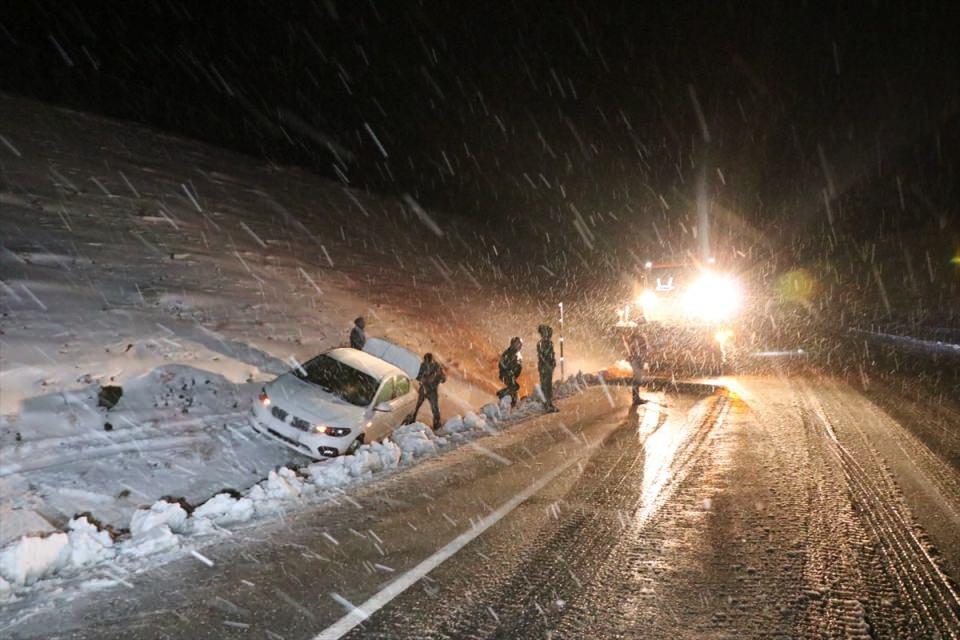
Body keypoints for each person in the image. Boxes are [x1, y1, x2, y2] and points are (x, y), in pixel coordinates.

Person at [406, 353, 446, 430]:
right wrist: (422, 378)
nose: (427, 363)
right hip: (423, 389)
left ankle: (437, 425)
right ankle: (410, 421)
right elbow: (418, 376)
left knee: (435, 409)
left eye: (428, 362)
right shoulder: (423, 365)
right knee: (416, 406)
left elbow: (444, 379)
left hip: (432, 391)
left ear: (432, 360)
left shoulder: (437, 367)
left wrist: (437, 377)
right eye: (426, 361)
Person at [624, 327, 649, 405]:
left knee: (637, 379)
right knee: (636, 379)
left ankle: (636, 398)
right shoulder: (633, 338)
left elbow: (644, 348)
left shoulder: (637, 336)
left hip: (638, 359)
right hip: (636, 359)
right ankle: (636, 399)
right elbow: (635, 350)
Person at [496, 336, 523, 408]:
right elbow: (501, 363)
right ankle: (501, 394)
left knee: (514, 389)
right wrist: (508, 370)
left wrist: (515, 371)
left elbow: (518, 365)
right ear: (512, 344)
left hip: (511, 375)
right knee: (514, 387)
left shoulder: (517, 354)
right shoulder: (508, 352)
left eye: (520, 344)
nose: (519, 345)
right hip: (506, 374)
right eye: (517, 344)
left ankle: (513, 404)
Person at [537, 324, 559, 412]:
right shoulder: (541, 343)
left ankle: (549, 403)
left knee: (548, 386)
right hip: (544, 367)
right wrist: (548, 364)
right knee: (545, 386)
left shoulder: (548, 343)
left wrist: (553, 363)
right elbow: (542, 356)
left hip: (548, 367)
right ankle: (546, 404)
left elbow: (551, 354)